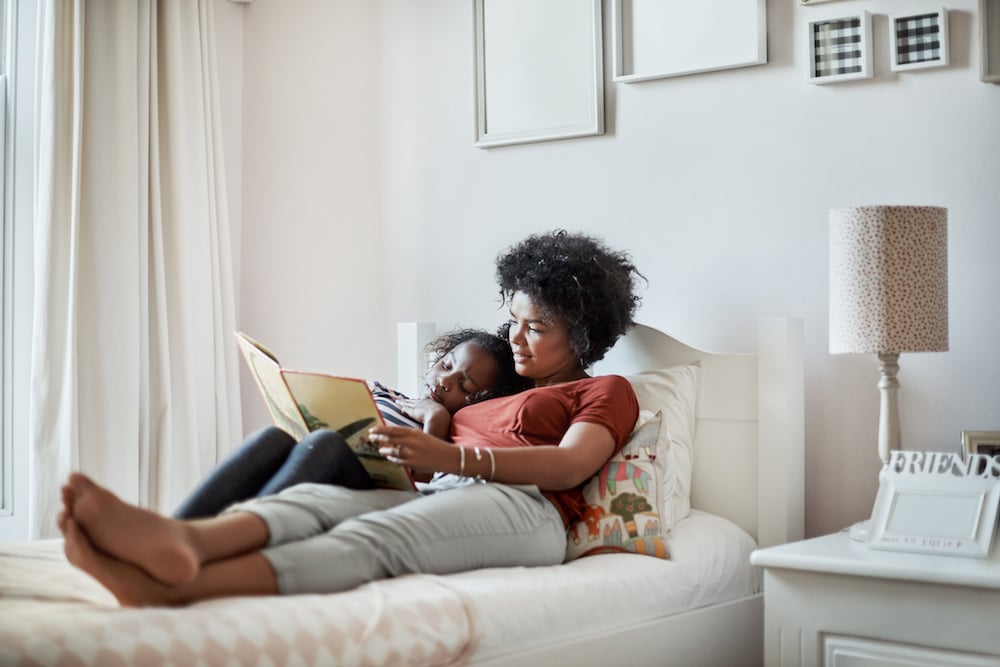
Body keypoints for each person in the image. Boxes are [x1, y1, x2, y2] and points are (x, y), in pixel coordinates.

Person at [58, 230, 645, 606]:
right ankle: (183, 539)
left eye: (536, 328)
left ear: (584, 335)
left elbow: (571, 466)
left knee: (374, 540)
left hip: (527, 509)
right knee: (318, 505)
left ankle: (174, 587)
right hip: (444, 490)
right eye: (514, 319)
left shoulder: (605, 391)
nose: (515, 337)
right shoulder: (492, 394)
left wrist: (454, 456)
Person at [173, 328, 531, 519]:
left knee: (328, 442)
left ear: (481, 402)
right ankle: (184, 527)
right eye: (447, 365)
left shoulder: (448, 434)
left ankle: (235, 531)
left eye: (464, 386)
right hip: (321, 456)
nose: (444, 381)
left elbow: (421, 479)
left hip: (374, 485)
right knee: (272, 437)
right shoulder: (385, 393)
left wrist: (435, 417)